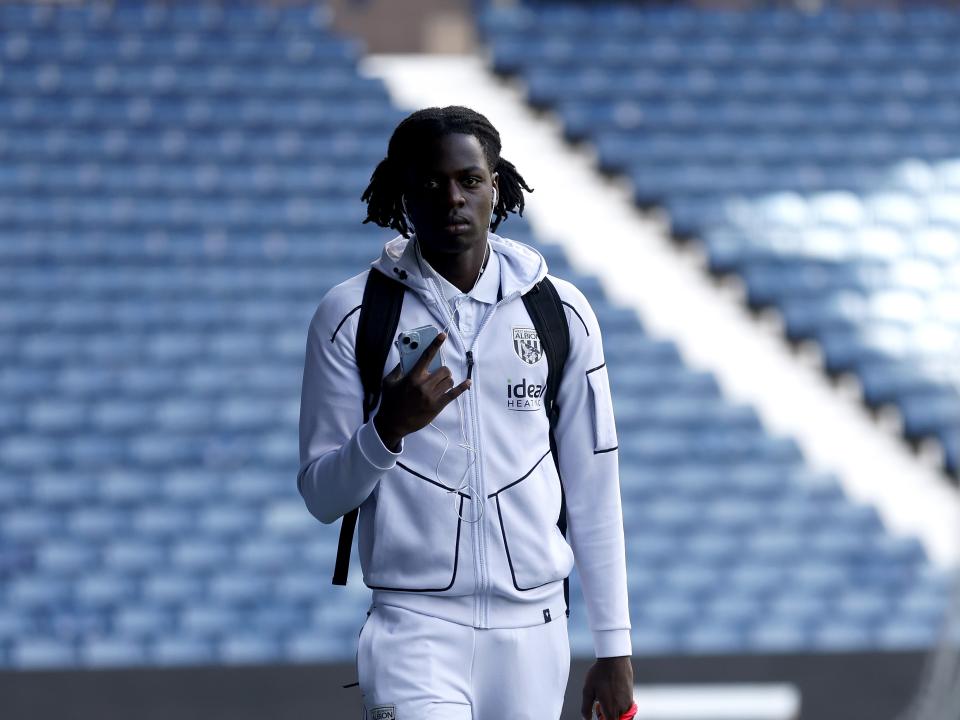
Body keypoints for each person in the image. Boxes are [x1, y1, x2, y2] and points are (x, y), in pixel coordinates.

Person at [297, 105, 634, 720]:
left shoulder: (562, 312)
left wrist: (614, 648)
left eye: (469, 180)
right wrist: (386, 431)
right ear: (403, 195)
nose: (452, 198)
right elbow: (322, 496)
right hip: (414, 629)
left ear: (495, 186)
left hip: (536, 630)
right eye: (431, 184)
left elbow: (594, 487)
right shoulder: (350, 315)